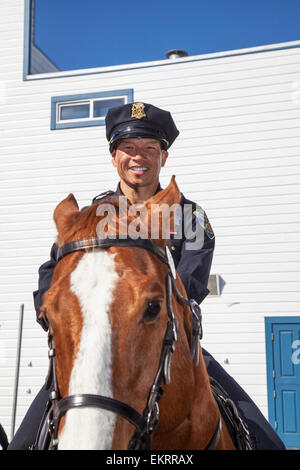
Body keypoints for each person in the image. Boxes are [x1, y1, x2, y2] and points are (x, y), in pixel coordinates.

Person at [8, 102, 285, 450]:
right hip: (95, 347)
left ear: (163, 158)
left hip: (167, 341)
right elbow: (54, 271)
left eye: (150, 149)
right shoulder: (92, 215)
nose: (139, 157)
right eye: (129, 148)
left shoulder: (190, 216)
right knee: (21, 443)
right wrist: (61, 321)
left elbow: (191, 281)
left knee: (268, 441)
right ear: (113, 156)